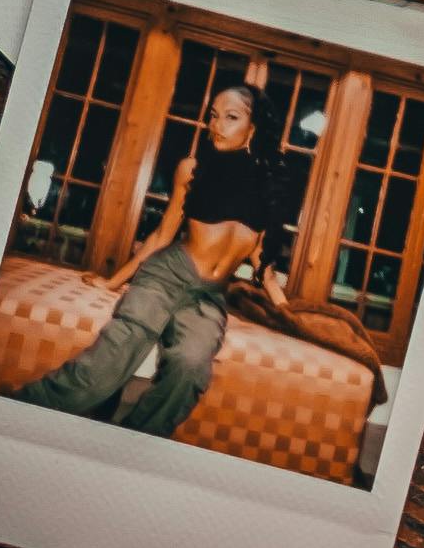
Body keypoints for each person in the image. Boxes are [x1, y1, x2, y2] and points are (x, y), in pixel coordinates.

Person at [31, 63, 302, 430]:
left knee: (190, 369)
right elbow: (161, 236)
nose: (216, 125)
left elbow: (263, 266)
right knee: (113, 358)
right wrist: (113, 282)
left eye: (231, 117)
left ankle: (133, 444)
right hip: (167, 274)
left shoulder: (270, 192)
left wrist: (292, 319)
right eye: (213, 116)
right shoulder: (192, 169)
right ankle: (21, 411)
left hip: (208, 296)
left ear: (253, 128)